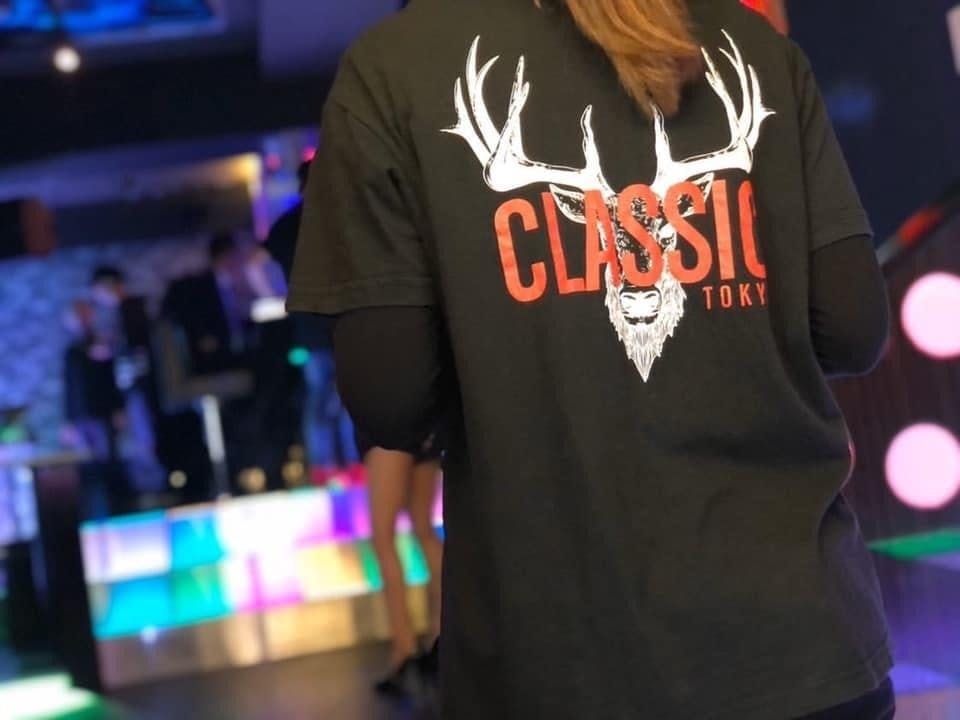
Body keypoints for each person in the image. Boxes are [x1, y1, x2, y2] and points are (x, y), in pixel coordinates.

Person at [288, 1, 893, 718]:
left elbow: (388, 396)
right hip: (809, 648)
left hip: (558, 665)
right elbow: (852, 329)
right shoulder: (750, 46)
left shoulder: (392, 71)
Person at [268, 164, 443, 690]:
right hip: (422, 396)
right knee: (423, 528)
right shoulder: (379, 236)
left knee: (384, 536)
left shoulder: (317, 251)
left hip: (385, 406)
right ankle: (441, 641)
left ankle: (404, 649)